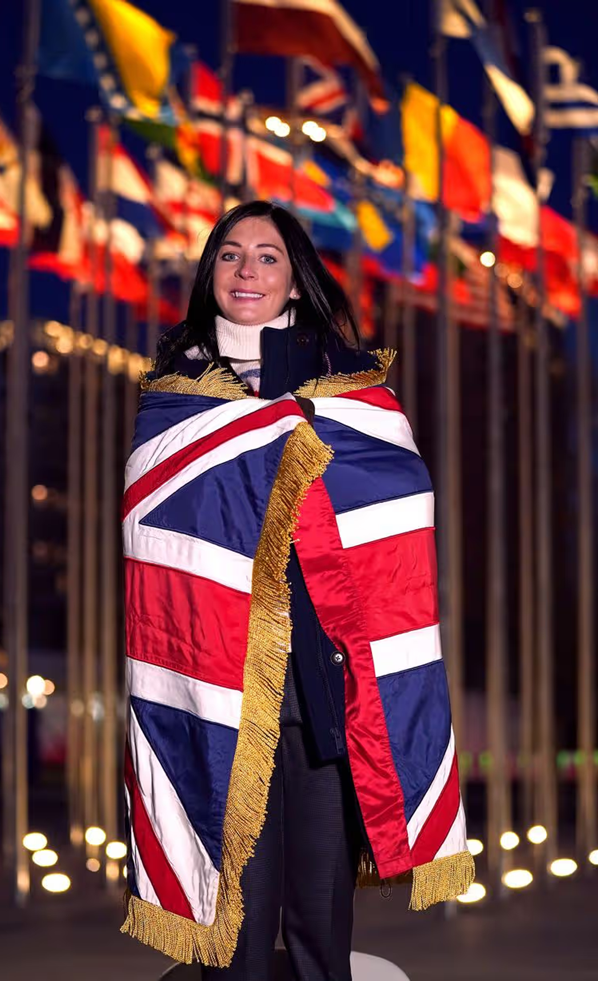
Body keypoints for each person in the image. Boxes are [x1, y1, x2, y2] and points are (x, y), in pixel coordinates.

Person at [121, 201, 473, 980]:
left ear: (294, 279)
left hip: (322, 692)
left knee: (320, 920)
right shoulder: (175, 400)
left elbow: (397, 510)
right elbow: (158, 544)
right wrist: (266, 443)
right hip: (215, 695)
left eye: (267, 256)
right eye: (229, 254)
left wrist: (290, 441)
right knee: (235, 932)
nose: (246, 269)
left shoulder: (354, 398)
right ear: (210, 273)